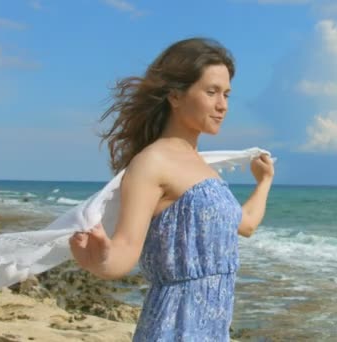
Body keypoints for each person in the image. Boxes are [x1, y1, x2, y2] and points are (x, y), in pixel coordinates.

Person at [68, 37, 274, 341]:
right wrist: (100, 262)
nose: (222, 106)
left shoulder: (202, 167)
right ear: (175, 96)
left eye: (227, 94)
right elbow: (125, 250)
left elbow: (246, 225)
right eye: (211, 92)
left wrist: (264, 182)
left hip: (214, 330)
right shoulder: (152, 162)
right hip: (174, 328)